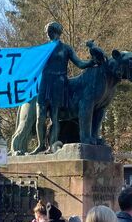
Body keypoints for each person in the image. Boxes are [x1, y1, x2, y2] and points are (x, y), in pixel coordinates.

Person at [31, 22, 95, 154]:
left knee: (55, 116)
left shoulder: (66, 48)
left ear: (56, 32)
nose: (47, 34)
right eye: (47, 32)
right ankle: (40, 145)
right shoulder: (44, 49)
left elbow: (79, 63)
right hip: (44, 82)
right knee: (40, 116)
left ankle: (51, 146)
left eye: (49, 31)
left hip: (59, 83)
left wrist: (91, 62)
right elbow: (31, 65)